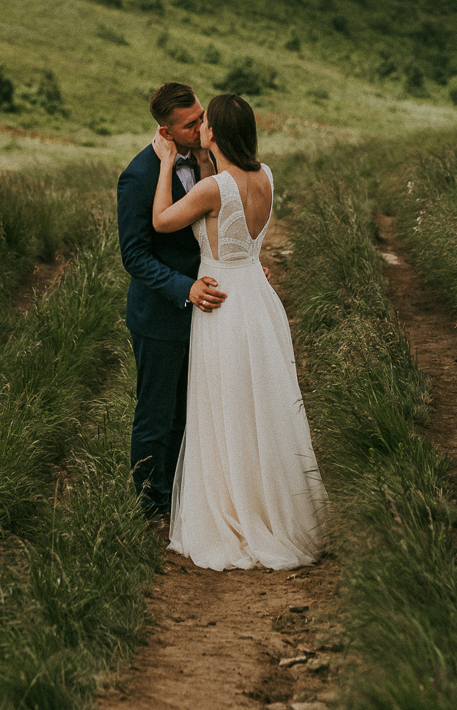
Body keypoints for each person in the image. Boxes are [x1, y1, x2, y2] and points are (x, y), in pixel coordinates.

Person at [150, 93, 324, 570]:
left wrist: (167, 164)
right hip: (256, 295)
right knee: (259, 400)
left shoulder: (213, 188)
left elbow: (162, 221)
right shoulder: (265, 175)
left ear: (216, 134)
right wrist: (208, 162)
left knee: (224, 402)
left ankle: (232, 510)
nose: (200, 126)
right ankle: (270, 503)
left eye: (206, 123)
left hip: (221, 298)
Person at [116, 83, 225, 525]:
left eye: (201, 116)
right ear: (166, 130)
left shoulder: (210, 160)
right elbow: (134, 256)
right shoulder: (139, 176)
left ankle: (179, 497)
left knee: (189, 411)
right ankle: (149, 507)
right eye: (191, 123)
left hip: (203, 312)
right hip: (160, 315)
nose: (201, 126)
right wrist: (185, 287)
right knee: (155, 415)